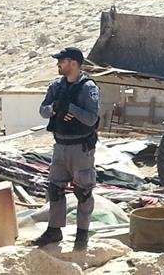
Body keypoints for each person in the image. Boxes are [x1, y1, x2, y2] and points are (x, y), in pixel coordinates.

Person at [31, 47, 100, 250]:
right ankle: (54, 230)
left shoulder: (88, 88)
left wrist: (70, 108)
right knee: (55, 189)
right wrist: (56, 108)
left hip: (80, 148)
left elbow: (91, 118)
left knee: (83, 191)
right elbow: (43, 111)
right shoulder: (56, 86)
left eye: (62, 61)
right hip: (60, 146)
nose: (58, 64)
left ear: (73, 63)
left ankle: (82, 234)